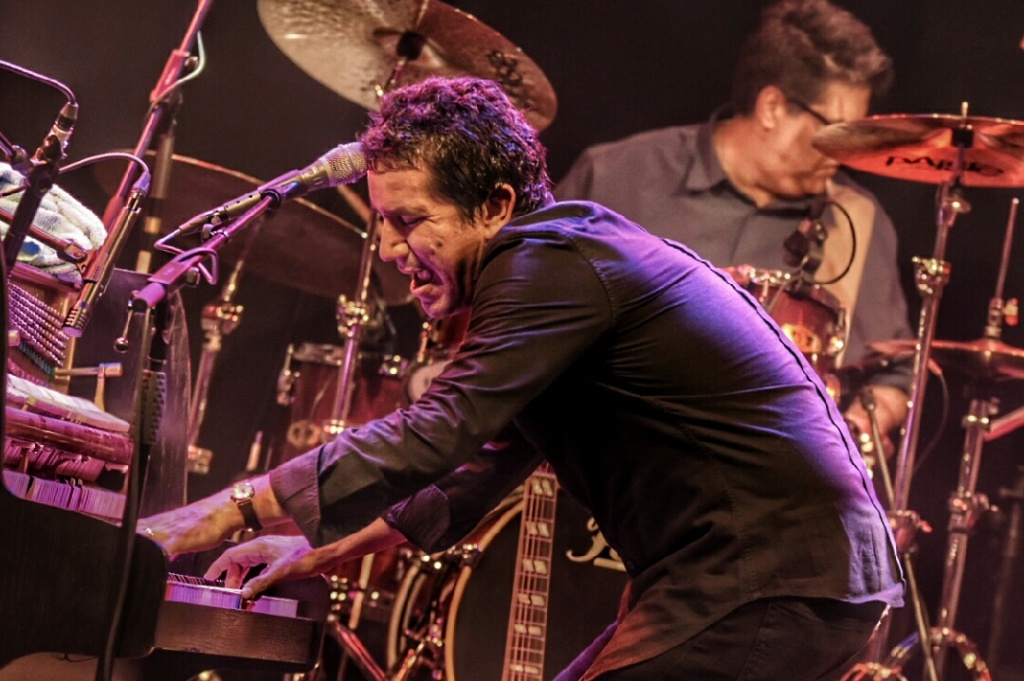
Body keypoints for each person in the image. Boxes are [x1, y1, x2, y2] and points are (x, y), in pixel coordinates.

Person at [142, 75, 903, 680]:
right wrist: (310, 547)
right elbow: (474, 467)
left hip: (770, 576)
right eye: (383, 223)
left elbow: (436, 429)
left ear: (496, 205)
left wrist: (231, 509)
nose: (392, 249)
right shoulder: (558, 273)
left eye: (411, 220)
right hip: (775, 577)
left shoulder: (543, 260)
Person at [554, 0, 913, 459]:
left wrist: (861, 425)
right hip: (592, 462)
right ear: (772, 107)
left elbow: (895, 375)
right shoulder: (616, 177)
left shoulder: (858, 221)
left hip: (761, 486)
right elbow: (519, 312)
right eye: (835, 130)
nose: (844, 154)